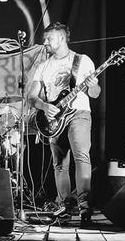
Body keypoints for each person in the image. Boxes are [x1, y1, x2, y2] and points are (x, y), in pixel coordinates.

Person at [28, 22, 100, 223]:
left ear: (61, 38)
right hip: (55, 118)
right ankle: (64, 207)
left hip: (79, 113)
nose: (45, 42)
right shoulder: (43, 66)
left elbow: (95, 93)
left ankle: (85, 208)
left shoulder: (82, 60)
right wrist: (44, 106)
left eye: (49, 38)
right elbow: (31, 97)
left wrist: (93, 86)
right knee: (60, 164)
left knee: (81, 156)